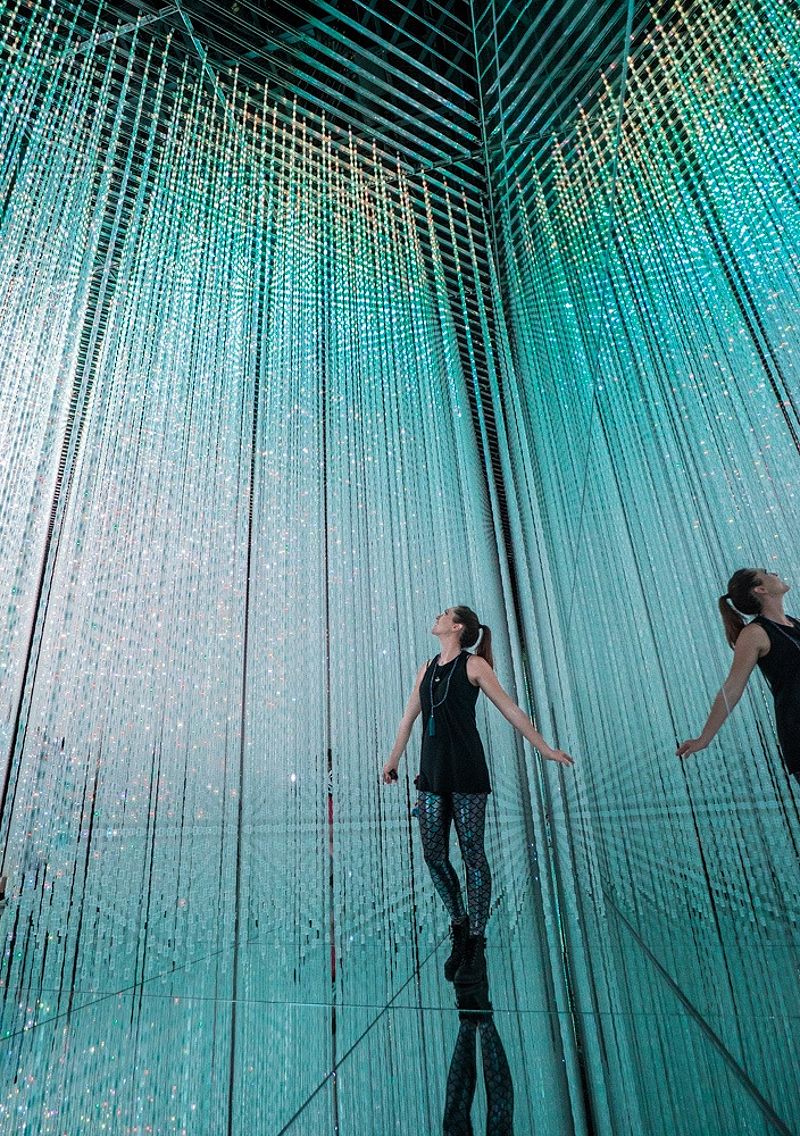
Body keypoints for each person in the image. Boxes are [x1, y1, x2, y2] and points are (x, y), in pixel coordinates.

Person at [383, 605, 574, 984]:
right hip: (432, 775)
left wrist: (546, 749)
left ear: (456, 627)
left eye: (443, 614)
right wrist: (392, 761)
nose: (436, 617)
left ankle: (476, 939)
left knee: (472, 855)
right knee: (433, 854)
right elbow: (408, 719)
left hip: (468, 772)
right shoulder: (426, 668)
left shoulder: (475, 667)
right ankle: (459, 920)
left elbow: (512, 711)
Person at [677, 568, 800, 780]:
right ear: (760, 589)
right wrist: (704, 738)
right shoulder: (755, 634)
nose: (775, 573)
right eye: (766, 572)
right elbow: (732, 688)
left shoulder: (794, 623)